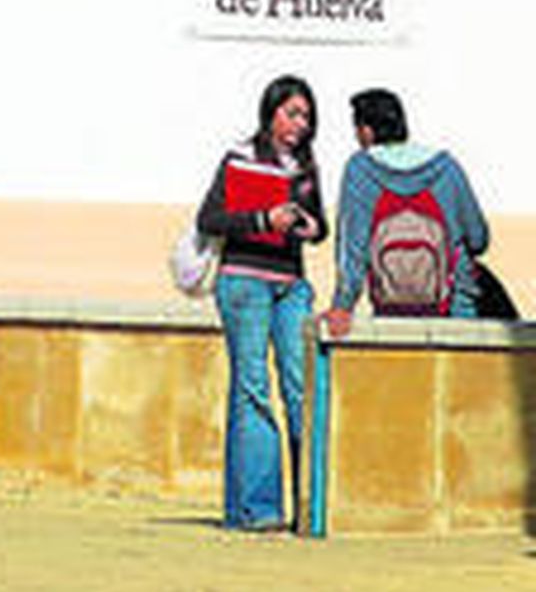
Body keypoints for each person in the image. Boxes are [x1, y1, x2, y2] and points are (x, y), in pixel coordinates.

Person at [196, 75, 327, 532]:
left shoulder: (306, 168)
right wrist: (262, 218)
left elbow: (322, 226)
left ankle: (308, 509)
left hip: (291, 285)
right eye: (292, 113)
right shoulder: (239, 157)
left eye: (306, 116)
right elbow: (209, 218)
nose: (300, 124)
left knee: (299, 390)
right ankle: (257, 509)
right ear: (270, 113)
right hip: (244, 284)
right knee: (253, 390)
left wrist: (308, 226)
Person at [322, 89, 490, 338]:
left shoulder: (359, 169)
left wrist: (342, 306)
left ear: (366, 131)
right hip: (454, 307)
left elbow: (352, 252)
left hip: (392, 307)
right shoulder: (447, 168)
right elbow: (478, 239)